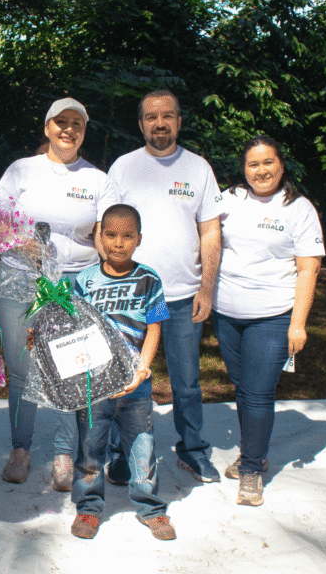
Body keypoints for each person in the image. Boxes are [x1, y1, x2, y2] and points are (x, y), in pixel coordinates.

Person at [0, 98, 118, 490]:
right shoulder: (21, 170)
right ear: (47, 127)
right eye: (60, 122)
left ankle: (64, 453)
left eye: (76, 123)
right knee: (22, 370)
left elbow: (109, 233)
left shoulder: (97, 180)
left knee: (72, 367)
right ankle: (20, 449)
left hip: (73, 282)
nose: (68, 129)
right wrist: (16, 240)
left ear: (84, 130)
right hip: (19, 280)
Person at [107, 89, 222, 484]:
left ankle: (192, 450)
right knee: (123, 376)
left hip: (181, 297)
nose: (160, 123)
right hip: (129, 295)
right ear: (140, 124)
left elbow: (210, 232)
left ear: (179, 121)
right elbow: (105, 230)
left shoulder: (198, 168)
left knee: (186, 380)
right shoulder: (123, 168)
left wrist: (206, 289)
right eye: (152, 117)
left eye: (168, 116)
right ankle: (121, 454)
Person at [211, 136, 324, 506]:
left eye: (268, 162)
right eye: (253, 164)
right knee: (242, 388)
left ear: (281, 165)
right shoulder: (228, 200)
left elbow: (308, 268)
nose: (261, 170)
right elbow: (207, 240)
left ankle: (251, 470)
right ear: (244, 169)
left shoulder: (299, 208)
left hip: (273, 316)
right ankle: (251, 452)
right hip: (227, 313)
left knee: (258, 394)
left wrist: (298, 323)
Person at [67, 204, 177, 541]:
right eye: (111, 235)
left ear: (139, 239)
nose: (118, 243)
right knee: (89, 451)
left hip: (136, 389)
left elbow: (154, 327)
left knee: (142, 450)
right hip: (94, 388)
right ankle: (88, 508)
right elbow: (73, 330)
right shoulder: (83, 280)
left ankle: (151, 509)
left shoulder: (148, 279)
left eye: (127, 235)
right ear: (100, 238)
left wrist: (142, 369)